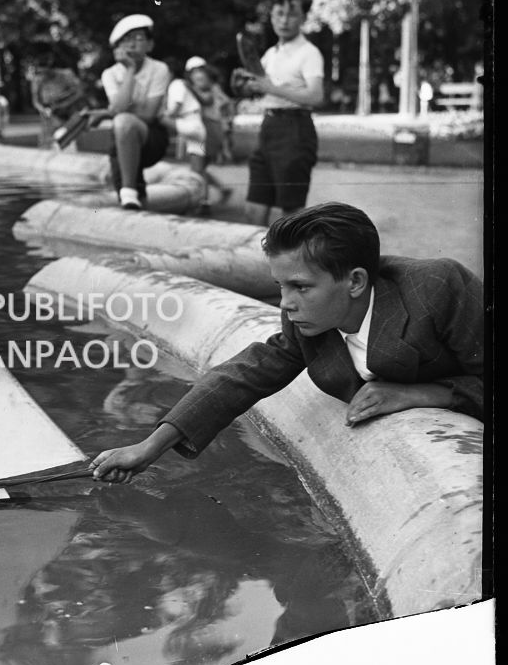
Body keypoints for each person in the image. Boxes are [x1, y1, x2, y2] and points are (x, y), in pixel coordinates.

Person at [90, 202, 483, 484]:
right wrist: (150, 446)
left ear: (356, 281)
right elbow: (244, 375)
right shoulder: (307, 316)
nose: (285, 302)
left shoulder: (438, 289)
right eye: (280, 285)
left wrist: (427, 393)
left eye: (300, 287)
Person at [234, 0, 324, 227]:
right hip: (269, 128)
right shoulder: (271, 53)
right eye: (279, 14)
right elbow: (260, 88)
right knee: (254, 209)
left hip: (295, 129)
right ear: (271, 17)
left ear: (303, 18)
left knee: (290, 214)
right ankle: (252, 263)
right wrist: (244, 85)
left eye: (292, 14)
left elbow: (316, 96)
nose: (284, 21)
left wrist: (270, 87)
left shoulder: (309, 53)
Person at [89, 14, 170, 210]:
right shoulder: (110, 74)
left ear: (150, 45)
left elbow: (149, 115)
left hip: (152, 137)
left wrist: (110, 113)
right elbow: (119, 108)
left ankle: (129, 191)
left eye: (138, 38)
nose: (131, 44)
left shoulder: (159, 69)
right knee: (129, 196)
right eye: (125, 40)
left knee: (124, 122)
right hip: (123, 138)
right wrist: (130, 71)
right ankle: (131, 197)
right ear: (117, 48)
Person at [186, 56, 235, 206]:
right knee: (201, 167)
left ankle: (203, 201)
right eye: (194, 72)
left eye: (200, 71)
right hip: (207, 129)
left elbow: (206, 100)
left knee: (198, 168)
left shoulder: (209, 87)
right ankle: (219, 190)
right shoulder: (214, 87)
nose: (198, 75)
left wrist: (189, 89)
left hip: (208, 129)